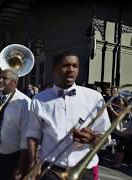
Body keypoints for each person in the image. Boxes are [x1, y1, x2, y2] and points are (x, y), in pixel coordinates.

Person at [25, 51, 111, 180]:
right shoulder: (39, 100)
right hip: (51, 171)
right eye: (65, 65)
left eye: (75, 66)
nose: (71, 69)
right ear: (54, 69)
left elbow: (106, 137)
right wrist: (33, 164)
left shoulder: (94, 97)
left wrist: (93, 139)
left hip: (84, 171)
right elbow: (32, 135)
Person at [0, 69, 31, 180]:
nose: (0, 80)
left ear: (15, 82)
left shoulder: (25, 102)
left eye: (4, 78)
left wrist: (21, 168)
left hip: (13, 158)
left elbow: (27, 137)